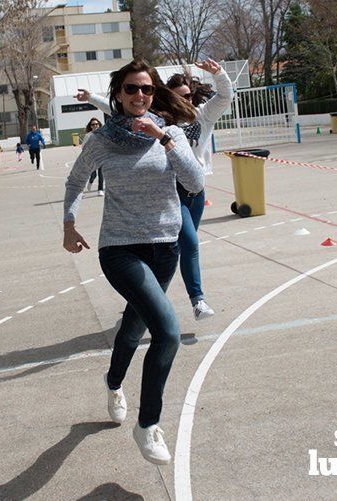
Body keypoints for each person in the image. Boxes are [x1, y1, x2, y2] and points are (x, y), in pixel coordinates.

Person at [63, 59, 203, 465]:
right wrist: (69, 223)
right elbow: (75, 181)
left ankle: (112, 383)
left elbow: (194, 184)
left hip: (165, 248)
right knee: (168, 333)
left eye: (145, 89)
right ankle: (149, 426)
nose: (138, 95)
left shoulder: (171, 132)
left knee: (133, 326)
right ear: (118, 95)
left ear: (154, 93)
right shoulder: (103, 140)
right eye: (130, 89)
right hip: (121, 250)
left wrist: (165, 140)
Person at [76, 59, 233, 321]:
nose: (186, 100)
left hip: (197, 192)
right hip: (173, 189)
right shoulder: (164, 121)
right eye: (180, 96)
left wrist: (219, 74)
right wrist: (92, 98)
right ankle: (198, 300)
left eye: (189, 96)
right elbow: (117, 108)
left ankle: (149, 301)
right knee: (191, 242)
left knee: (176, 248)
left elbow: (226, 96)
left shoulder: (204, 115)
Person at [83, 117, 104, 195]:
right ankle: (90, 182)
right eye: (93, 124)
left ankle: (100, 190)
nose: (95, 125)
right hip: (92, 157)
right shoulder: (88, 136)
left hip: (101, 156)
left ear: (99, 125)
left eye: (96, 124)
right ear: (90, 126)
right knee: (93, 174)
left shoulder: (103, 133)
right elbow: (83, 147)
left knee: (101, 174)